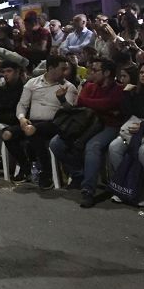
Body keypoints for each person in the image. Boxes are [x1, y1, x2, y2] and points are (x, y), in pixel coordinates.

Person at [50, 59, 125, 206]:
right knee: (56, 143)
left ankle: (88, 190)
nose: (91, 73)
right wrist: (102, 106)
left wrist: (93, 103)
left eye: (95, 70)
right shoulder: (90, 86)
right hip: (87, 124)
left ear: (107, 73)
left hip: (109, 126)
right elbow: (81, 103)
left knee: (93, 146)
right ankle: (78, 174)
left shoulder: (118, 89)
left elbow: (108, 103)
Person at [2, 56, 78, 187]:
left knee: (33, 131)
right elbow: (22, 105)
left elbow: (70, 111)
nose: (66, 72)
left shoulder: (68, 87)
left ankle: (46, 172)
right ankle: (27, 169)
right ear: (51, 68)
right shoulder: (33, 83)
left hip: (55, 124)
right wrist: (21, 118)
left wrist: (62, 100)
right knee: (7, 134)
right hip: (33, 122)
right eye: (62, 68)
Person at [106, 62, 144, 207]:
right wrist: (126, 93)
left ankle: (142, 191)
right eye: (141, 72)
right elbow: (128, 113)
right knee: (114, 147)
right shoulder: (135, 91)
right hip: (134, 131)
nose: (143, 75)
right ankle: (125, 186)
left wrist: (142, 126)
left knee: (143, 151)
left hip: (142, 131)